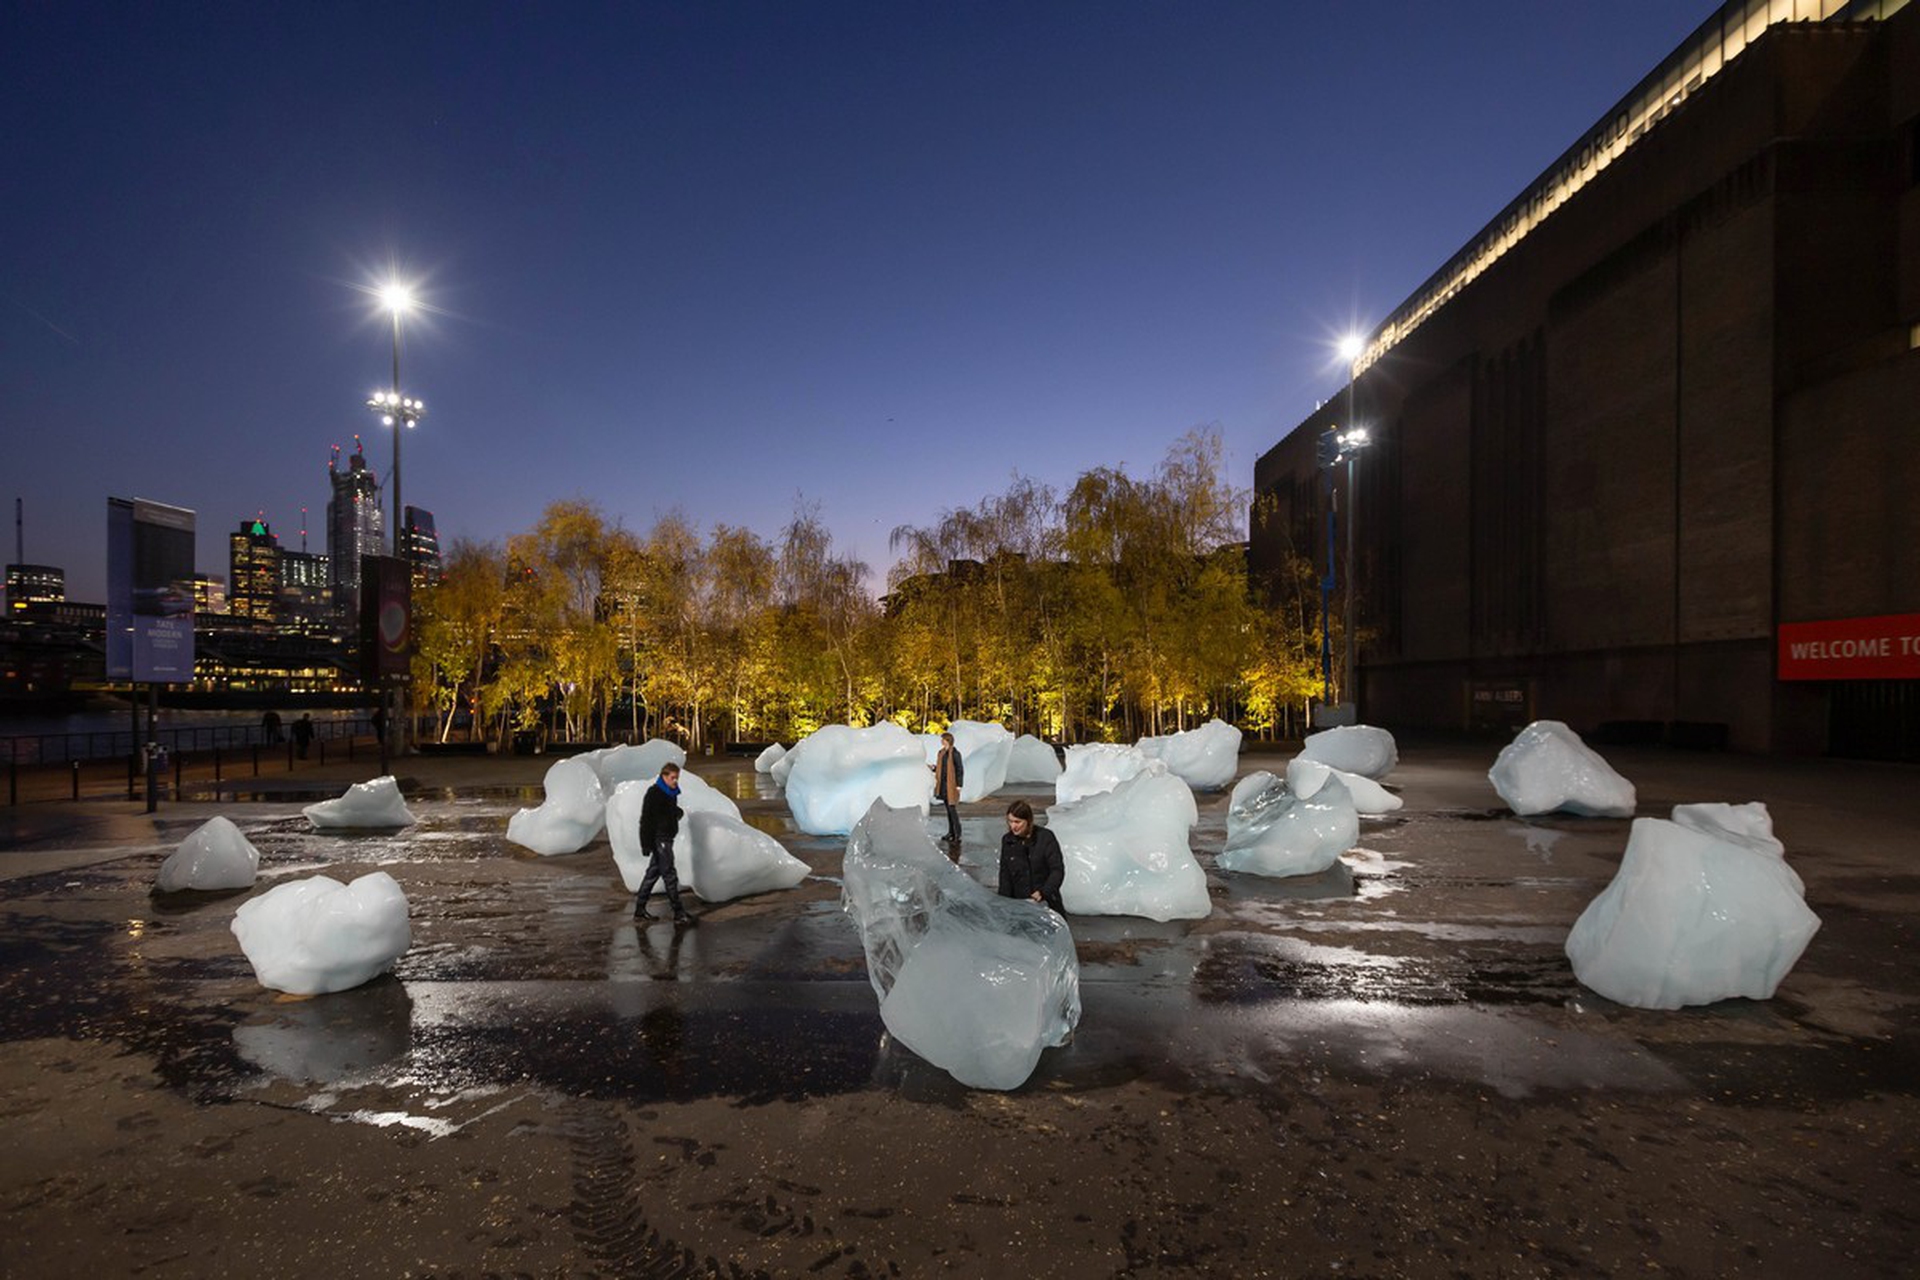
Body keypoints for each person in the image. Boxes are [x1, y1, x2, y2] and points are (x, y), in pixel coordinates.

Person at [635, 762, 695, 924]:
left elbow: (665, 812)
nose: (675, 781)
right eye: (672, 777)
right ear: (664, 776)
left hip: (666, 837)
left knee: (652, 874)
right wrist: (645, 843)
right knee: (669, 875)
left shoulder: (670, 793)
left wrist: (677, 812)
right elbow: (646, 819)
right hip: (660, 839)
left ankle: (639, 910)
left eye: (677, 778)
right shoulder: (654, 793)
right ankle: (678, 912)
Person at [998, 799, 1064, 913]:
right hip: (1020, 905)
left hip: (1046, 903)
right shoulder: (1008, 841)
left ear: (1028, 821)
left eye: (1017, 822)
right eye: (1010, 821)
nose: (1013, 826)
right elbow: (1005, 875)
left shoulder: (1045, 838)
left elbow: (1057, 870)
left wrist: (1043, 892)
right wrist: (1003, 904)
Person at [930, 731, 964, 846]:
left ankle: (957, 833)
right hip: (944, 785)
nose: (941, 741)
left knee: (952, 810)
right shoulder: (942, 753)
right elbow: (941, 768)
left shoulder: (955, 754)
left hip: (951, 785)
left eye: (943, 739)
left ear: (948, 740)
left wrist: (959, 785)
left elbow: (959, 770)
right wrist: (933, 768)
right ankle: (951, 833)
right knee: (949, 811)